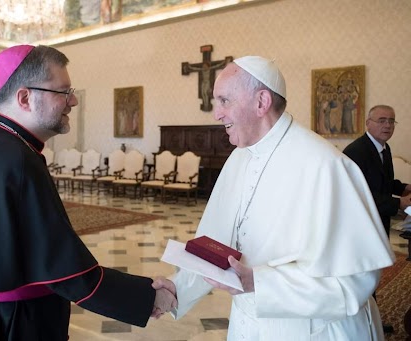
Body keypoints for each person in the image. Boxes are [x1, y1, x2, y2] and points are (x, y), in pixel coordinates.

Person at [0, 45, 176, 340]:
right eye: (63, 91)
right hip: (11, 324)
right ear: (25, 97)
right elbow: (64, 268)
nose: (74, 100)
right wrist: (147, 298)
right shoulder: (16, 161)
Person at [153, 56, 395, 340]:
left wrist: (260, 282)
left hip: (312, 330)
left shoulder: (324, 165)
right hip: (247, 323)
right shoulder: (239, 158)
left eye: (224, 101)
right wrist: (178, 288)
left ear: (261, 102)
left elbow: (355, 281)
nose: (216, 114)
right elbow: (215, 246)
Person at [344, 105, 411, 236]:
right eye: (382, 120)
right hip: (361, 223)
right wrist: (398, 203)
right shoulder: (356, 151)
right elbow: (358, 193)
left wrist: (405, 188)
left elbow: (383, 182)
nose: (388, 125)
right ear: (368, 123)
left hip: (380, 217)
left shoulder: (385, 147)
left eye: (391, 121)